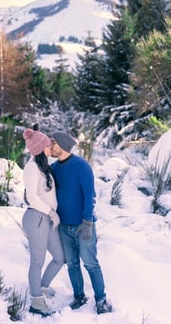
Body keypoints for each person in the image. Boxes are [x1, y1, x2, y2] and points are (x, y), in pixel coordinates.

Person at [50, 131, 112, 315]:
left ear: (61, 144)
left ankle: (101, 300)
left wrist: (87, 222)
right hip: (63, 226)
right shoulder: (54, 168)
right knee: (72, 264)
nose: (50, 146)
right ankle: (79, 296)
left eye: (52, 143)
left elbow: (89, 196)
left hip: (82, 225)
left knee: (90, 263)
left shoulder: (81, 166)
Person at [22, 128, 65, 317]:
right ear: (40, 148)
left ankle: (42, 286)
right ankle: (36, 301)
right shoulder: (31, 168)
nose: (50, 146)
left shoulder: (44, 167)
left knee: (59, 257)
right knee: (37, 261)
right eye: (47, 144)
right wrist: (50, 212)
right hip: (37, 218)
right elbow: (31, 197)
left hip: (47, 218)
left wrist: (52, 213)